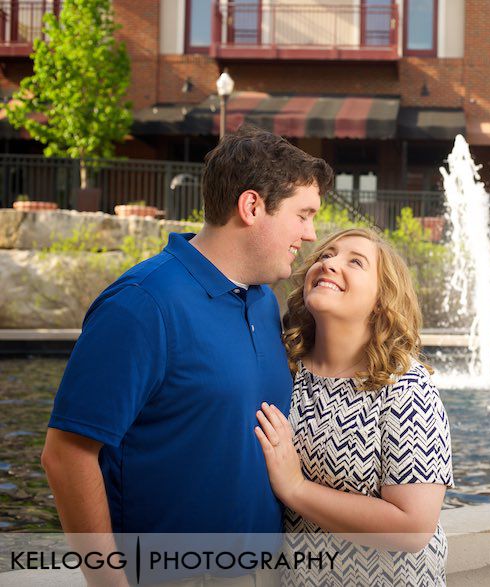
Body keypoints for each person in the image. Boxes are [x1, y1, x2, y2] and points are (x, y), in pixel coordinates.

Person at [41, 125, 333, 585]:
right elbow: (66, 456)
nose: (311, 233)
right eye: (303, 215)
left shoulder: (262, 299)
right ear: (252, 206)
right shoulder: (141, 304)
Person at [254, 228, 454, 586]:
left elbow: (413, 527)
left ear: (382, 298)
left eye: (355, 262)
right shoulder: (285, 369)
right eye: (325, 256)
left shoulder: (405, 386)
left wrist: (296, 488)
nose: (329, 264)